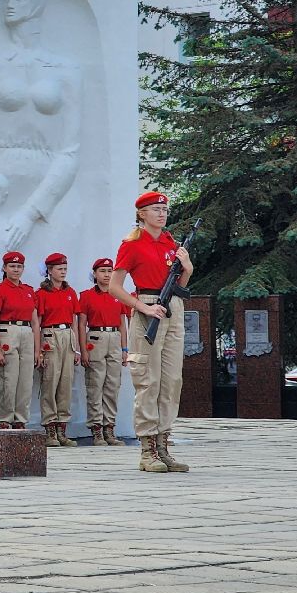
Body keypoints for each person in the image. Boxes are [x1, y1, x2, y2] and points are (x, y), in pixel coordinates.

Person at [0, 0, 84, 253]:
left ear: (37, 5)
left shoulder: (66, 69)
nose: (9, 4)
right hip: (0, 185)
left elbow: (70, 150)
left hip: (51, 191)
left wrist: (31, 212)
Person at [109, 192, 194, 473]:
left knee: (172, 381)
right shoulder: (132, 245)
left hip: (174, 308)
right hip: (148, 307)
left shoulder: (172, 245)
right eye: (156, 209)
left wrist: (188, 269)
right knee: (148, 381)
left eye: (164, 209)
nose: (162, 214)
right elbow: (115, 287)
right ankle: (147, 451)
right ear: (141, 214)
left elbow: (179, 282)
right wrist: (142, 308)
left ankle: (163, 445)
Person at [81, 257, 130, 446]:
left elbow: (122, 324)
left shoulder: (118, 294)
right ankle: (96, 429)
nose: (107, 275)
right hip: (95, 337)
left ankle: (109, 427)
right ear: (94, 274)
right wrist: (82, 350)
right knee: (95, 384)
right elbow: (82, 323)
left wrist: (125, 349)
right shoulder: (86, 295)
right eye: (102, 271)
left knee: (112, 385)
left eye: (110, 271)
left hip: (114, 338)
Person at [0, 251, 40, 429]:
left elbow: (35, 322)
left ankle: (20, 419)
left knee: (25, 381)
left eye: (19, 266)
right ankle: (4, 419)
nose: (16, 270)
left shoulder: (28, 291)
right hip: (7, 331)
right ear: (4, 268)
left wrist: (37, 350)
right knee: (8, 380)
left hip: (26, 333)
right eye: (12, 266)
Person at [35, 253, 80, 447]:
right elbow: (37, 322)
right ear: (50, 270)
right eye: (59, 269)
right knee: (50, 381)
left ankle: (63, 429)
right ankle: (50, 428)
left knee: (66, 383)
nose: (63, 272)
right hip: (50, 335)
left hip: (67, 334)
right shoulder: (42, 293)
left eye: (65, 269)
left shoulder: (70, 292)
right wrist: (39, 350)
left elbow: (75, 320)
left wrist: (77, 347)